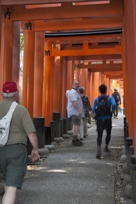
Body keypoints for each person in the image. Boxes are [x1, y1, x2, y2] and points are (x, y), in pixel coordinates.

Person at [0, 81, 40, 204]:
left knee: (6, 183)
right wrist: (35, 149)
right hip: (16, 151)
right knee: (11, 186)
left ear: (2, 94)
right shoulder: (21, 110)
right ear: (16, 94)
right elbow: (31, 133)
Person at [92, 84, 116, 159]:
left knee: (99, 134)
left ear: (99, 91)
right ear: (106, 90)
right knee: (108, 133)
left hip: (99, 119)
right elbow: (114, 104)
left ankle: (99, 150)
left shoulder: (96, 98)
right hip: (108, 118)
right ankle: (106, 146)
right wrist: (112, 111)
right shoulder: (110, 98)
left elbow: (93, 109)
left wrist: (94, 115)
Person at [67, 80, 85, 146]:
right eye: (76, 84)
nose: (78, 85)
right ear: (73, 84)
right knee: (75, 125)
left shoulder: (76, 92)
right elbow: (74, 103)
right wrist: (79, 111)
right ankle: (74, 140)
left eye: (78, 84)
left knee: (77, 125)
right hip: (75, 112)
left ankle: (76, 138)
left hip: (76, 112)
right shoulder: (72, 92)